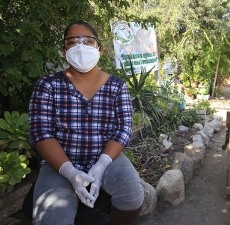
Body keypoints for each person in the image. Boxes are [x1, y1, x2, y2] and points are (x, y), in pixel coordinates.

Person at [28, 20, 144, 225]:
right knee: (51, 218)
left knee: (132, 194)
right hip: (60, 163)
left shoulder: (117, 86)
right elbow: (41, 133)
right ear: (64, 51)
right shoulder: (48, 85)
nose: (81, 47)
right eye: (72, 42)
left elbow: (123, 129)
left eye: (88, 41)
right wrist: (70, 172)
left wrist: (102, 164)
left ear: (100, 49)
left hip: (107, 159)